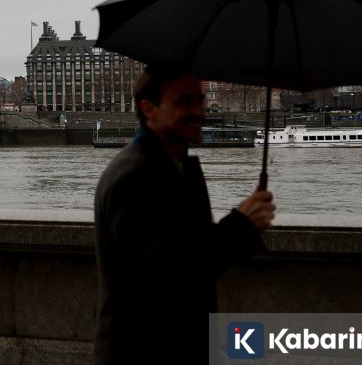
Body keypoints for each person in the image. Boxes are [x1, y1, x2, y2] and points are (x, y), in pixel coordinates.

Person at [93, 63, 276, 364]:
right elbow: (167, 276)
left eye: (199, 101)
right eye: (184, 102)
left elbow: (195, 251)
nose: (199, 111)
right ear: (149, 110)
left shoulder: (179, 167)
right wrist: (241, 225)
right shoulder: (133, 177)